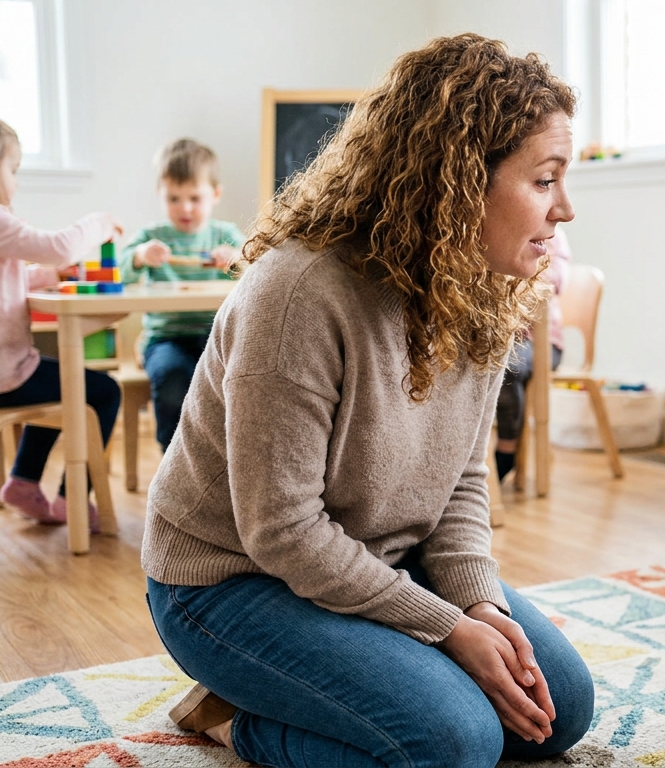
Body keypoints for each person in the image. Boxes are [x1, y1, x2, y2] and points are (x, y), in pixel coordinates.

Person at [143, 34, 594, 768]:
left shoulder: (482, 285)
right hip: (230, 583)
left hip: (375, 555)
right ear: (458, 179)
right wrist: (445, 629)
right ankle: (231, 720)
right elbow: (282, 531)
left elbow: (461, 478)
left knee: (559, 714)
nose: (565, 208)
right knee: (455, 744)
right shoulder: (297, 295)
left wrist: (477, 601)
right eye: (545, 180)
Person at [0, 109, 122, 529]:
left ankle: (23, 483)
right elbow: (59, 247)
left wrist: (51, 276)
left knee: (58, 382)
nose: (15, 181)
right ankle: (71, 499)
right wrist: (98, 223)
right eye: (12, 169)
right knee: (100, 391)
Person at [118, 138, 243, 452]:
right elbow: (120, 270)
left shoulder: (224, 235)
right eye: (174, 198)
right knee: (173, 379)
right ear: (161, 195)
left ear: (215, 195)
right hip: (166, 337)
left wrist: (235, 259)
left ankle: (224, 457)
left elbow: (258, 265)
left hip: (217, 335)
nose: (185, 208)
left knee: (239, 381)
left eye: (194, 198)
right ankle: (173, 460)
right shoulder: (152, 237)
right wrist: (139, 256)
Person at [494, 227, 570, 481]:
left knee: (507, 364)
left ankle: (507, 447)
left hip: (540, 340)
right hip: (497, 334)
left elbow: (555, 279)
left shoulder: (553, 235)